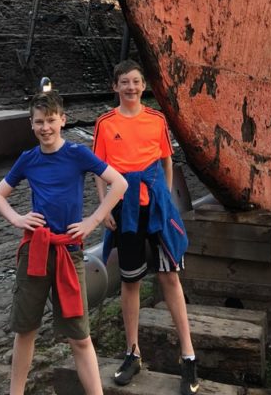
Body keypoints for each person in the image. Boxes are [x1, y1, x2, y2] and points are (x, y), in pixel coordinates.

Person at [0, 90, 127, 395]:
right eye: (39, 122)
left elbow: (119, 183)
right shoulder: (28, 159)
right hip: (36, 252)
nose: (45, 128)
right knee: (25, 330)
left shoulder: (77, 154)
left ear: (62, 120)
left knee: (80, 336)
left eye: (51, 120)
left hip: (69, 252)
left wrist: (92, 221)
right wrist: (17, 219)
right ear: (32, 124)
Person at [93, 59, 199, 395]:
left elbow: (167, 160)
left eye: (136, 82)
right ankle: (132, 351)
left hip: (155, 203)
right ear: (115, 87)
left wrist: (165, 199)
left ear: (143, 86)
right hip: (124, 208)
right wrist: (104, 206)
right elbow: (99, 169)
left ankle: (188, 355)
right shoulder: (105, 124)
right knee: (130, 280)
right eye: (125, 82)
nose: (131, 88)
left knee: (170, 275)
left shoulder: (156, 120)